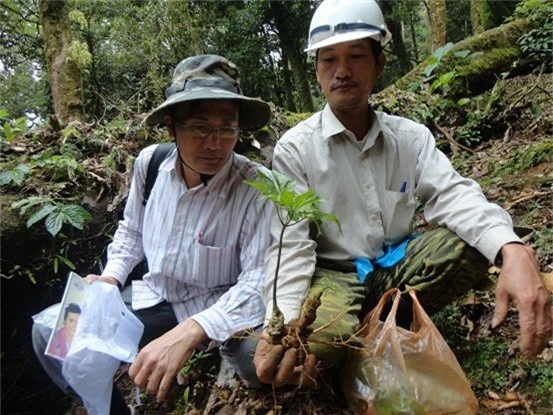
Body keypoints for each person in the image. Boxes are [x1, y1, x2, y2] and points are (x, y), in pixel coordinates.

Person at [254, 0, 552, 387]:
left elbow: (454, 194)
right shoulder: (297, 149)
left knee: (471, 246)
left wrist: (511, 249)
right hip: (334, 276)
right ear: (316, 72)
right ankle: (358, 334)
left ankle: (376, 328)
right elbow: (290, 244)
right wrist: (284, 321)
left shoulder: (409, 138)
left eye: (356, 56)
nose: (342, 71)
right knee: (308, 350)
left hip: (395, 266)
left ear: (379, 65)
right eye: (328, 60)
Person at [32, 54, 273, 414]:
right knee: (52, 335)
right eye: (199, 127)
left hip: (218, 307)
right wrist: (112, 278)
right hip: (154, 294)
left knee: (257, 361)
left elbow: (258, 281)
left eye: (227, 128)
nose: (215, 143)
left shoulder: (256, 188)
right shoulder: (151, 164)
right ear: (171, 127)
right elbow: (132, 230)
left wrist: (192, 330)